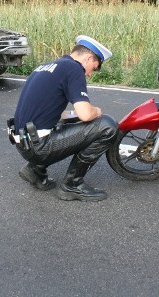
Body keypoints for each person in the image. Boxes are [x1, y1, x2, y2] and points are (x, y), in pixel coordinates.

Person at [10, 35, 119, 201]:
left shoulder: (47, 66)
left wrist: (76, 118)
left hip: (23, 142)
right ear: (89, 57)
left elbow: (54, 112)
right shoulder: (74, 69)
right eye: (94, 68)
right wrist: (96, 111)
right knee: (107, 125)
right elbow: (86, 113)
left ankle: (35, 170)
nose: (90, 74)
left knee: (73, 119)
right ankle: (72, 185)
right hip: (40, 147)